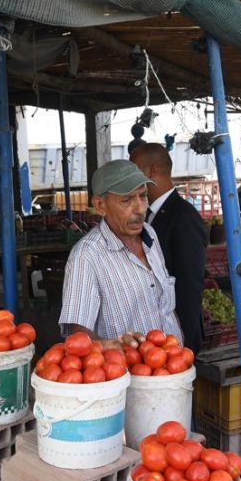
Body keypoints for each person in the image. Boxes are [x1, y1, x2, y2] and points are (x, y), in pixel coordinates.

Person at [58, 159, 182, 348]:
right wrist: (114, 346)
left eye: (143, 196)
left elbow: (166, 309)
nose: (141, 209)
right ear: (100, 205)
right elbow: (77, 338)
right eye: (127, 200)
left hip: (173, 367)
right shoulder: (86, 257)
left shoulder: (150, 235)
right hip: (128, 373)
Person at [129, 143, 208, 354]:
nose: (129, 176)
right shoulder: (148, 214)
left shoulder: (183, 217)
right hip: (153, 331)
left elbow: (189, 284)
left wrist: (183, 341)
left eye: (133, 169)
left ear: (152, 171)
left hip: (174, 338)